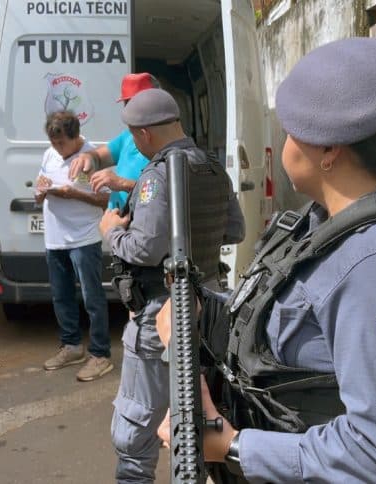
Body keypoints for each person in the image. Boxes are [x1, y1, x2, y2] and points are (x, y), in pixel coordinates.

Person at [155, 38, 376, 483]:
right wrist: (201, 309)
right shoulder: (326, 225)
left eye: (291, 130)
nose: (284, 141)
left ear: (329, 152)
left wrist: (232, 446)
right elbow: (288, 331)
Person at [100, 88, 245, 483]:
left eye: (133, 136)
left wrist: (111, 233)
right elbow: (235, 228)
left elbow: (145, 247)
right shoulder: (213, 167)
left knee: (137, 423)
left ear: (144, 134)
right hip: (211, 307)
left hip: (160, 311)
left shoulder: (156, 174)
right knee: (204, 413)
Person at [36, 111, 113, 382]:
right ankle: (71, 347)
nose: (57, 148)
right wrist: (40, 191)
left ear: (75, 136)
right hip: (55, 238)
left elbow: (105, 200)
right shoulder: (49, 154)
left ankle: (100, 353)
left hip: (84, 237)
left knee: (93, 298)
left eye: (61, 144)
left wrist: (74, 194)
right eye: (53, 143)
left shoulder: (92, 157)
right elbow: (39, 188)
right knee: (61, 295)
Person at [69, 73, 159, 210]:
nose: (132, 110)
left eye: (138, 103)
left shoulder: (167, 143)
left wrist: (122, 183)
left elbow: (165, 192)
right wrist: (87, 158)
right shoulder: (128, 137)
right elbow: (98, 157)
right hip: (118, 227)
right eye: (127, 104)